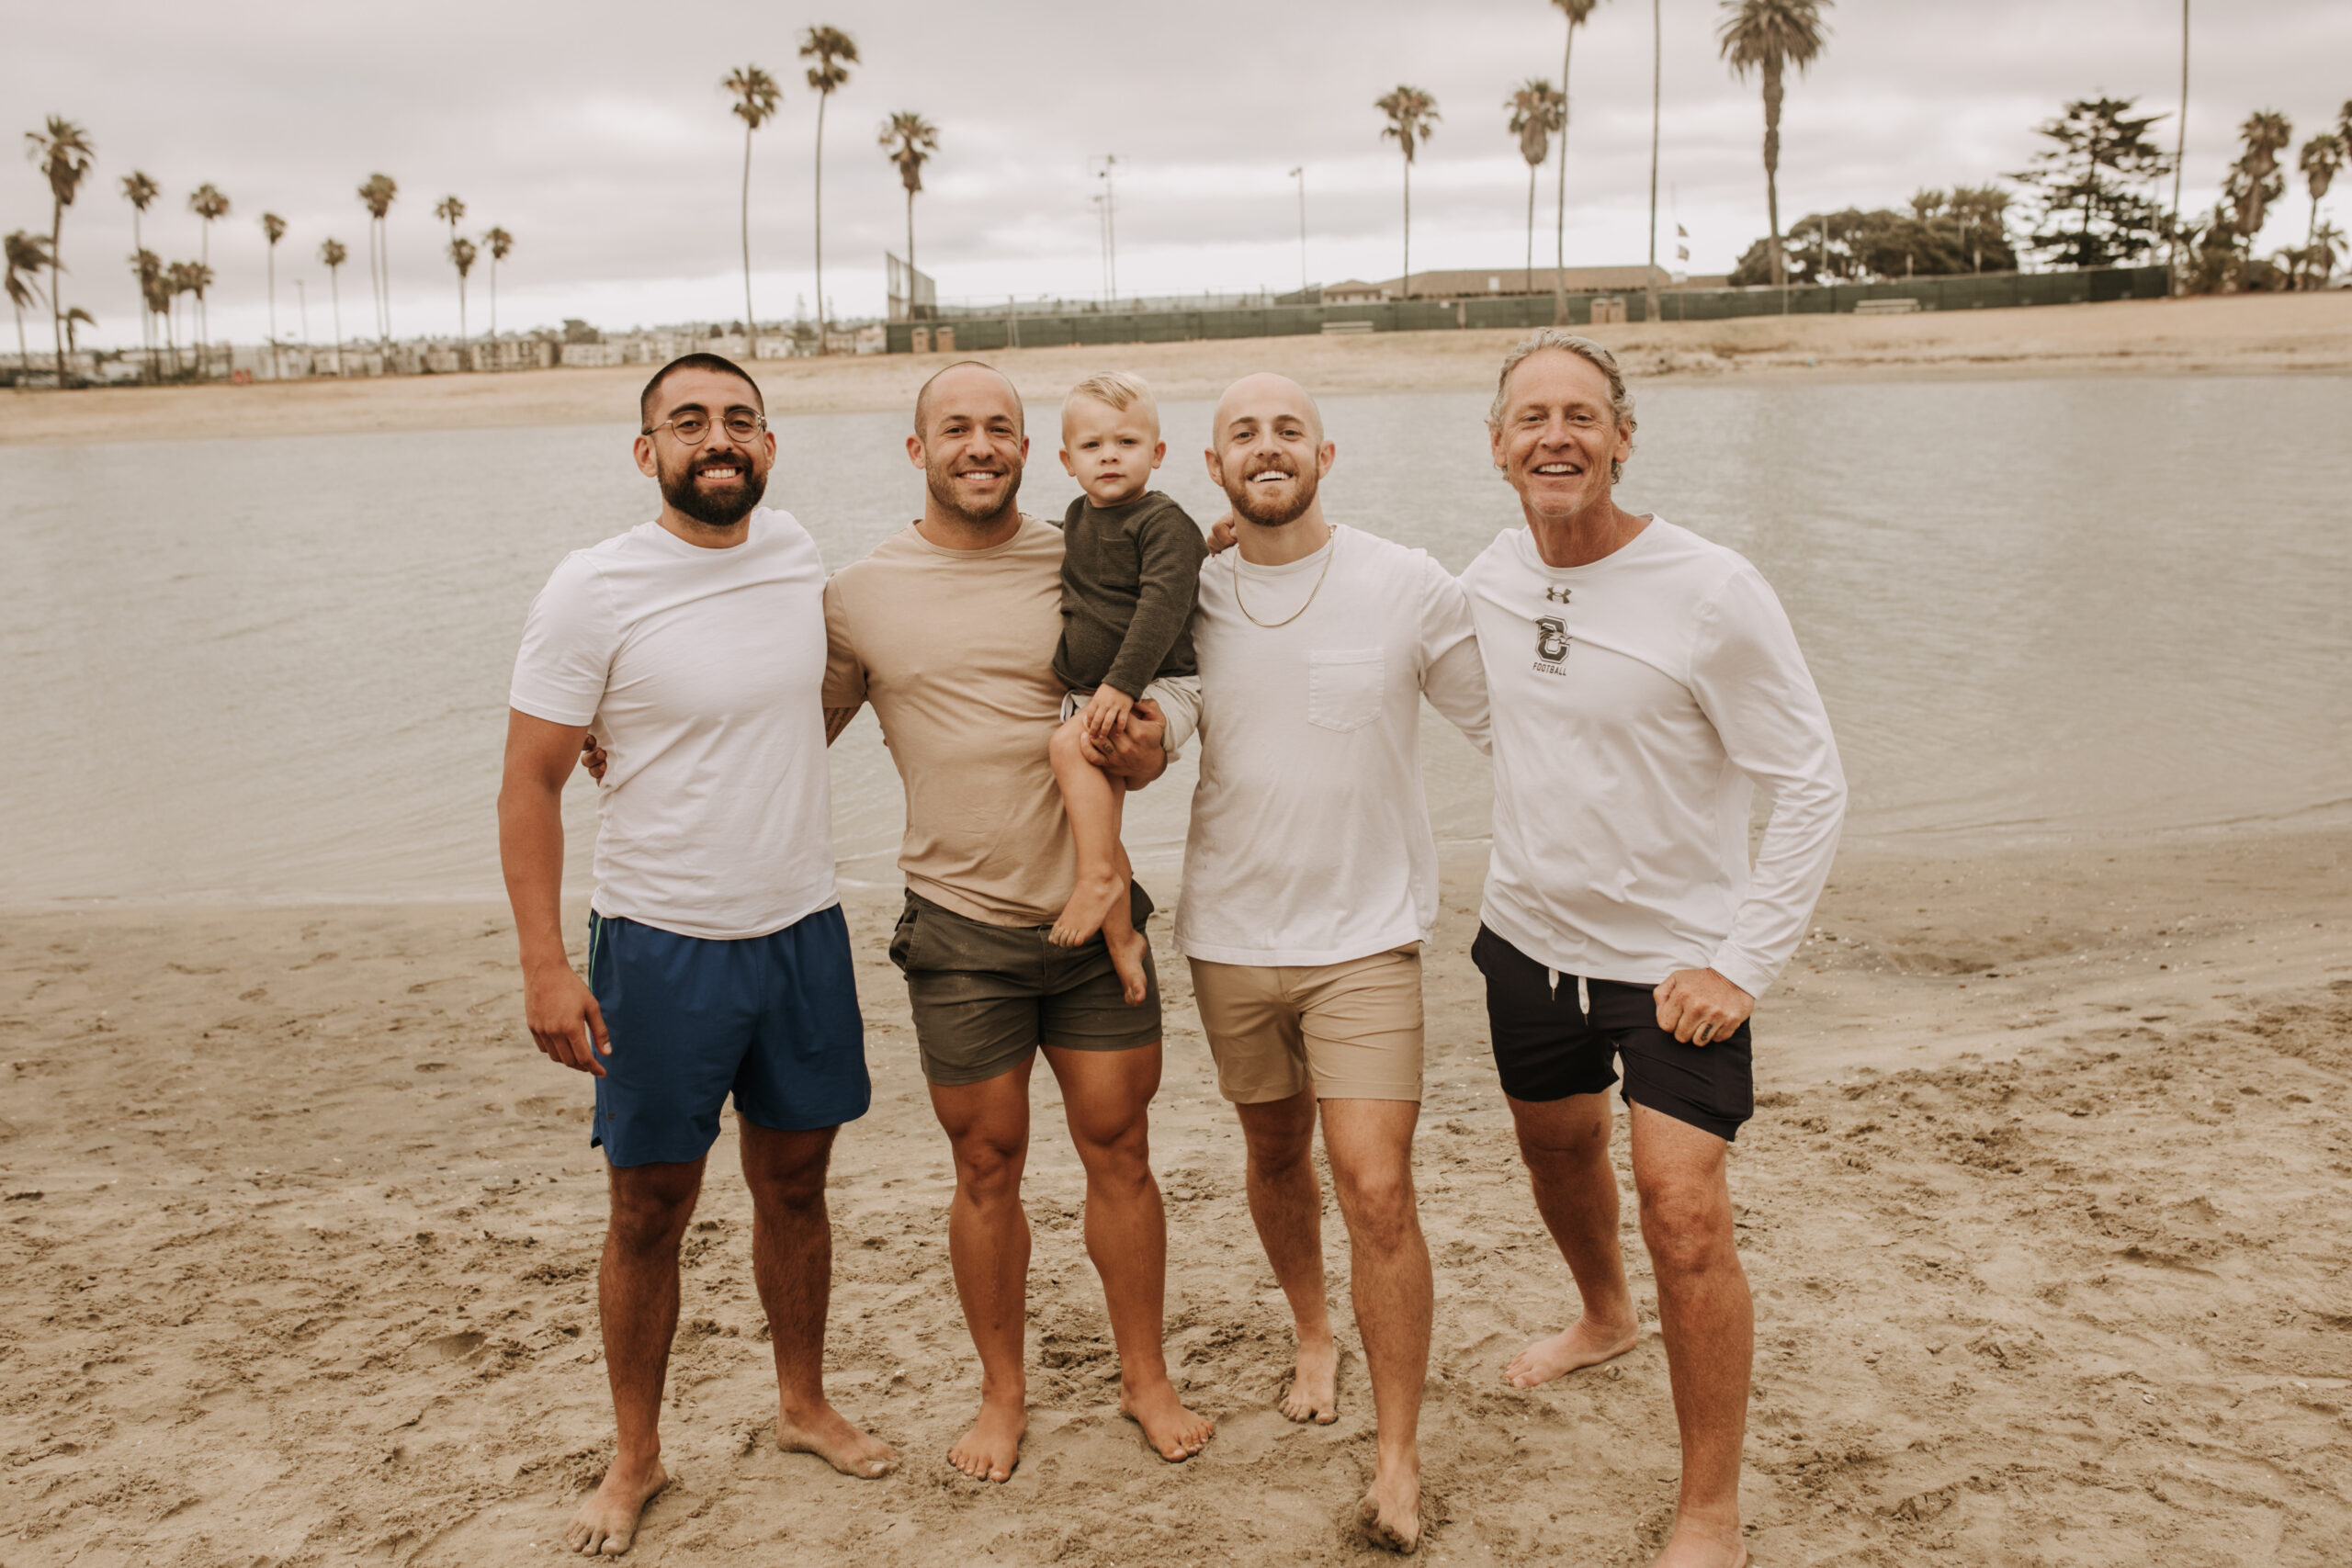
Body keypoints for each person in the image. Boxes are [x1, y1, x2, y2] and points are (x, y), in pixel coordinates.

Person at [498, 354, 895, 1559]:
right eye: (688, 421)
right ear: (648, 452)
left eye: (738, 420)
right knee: (649, 1206)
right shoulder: (594, 586)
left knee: (796, 1185)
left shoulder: (797, 553)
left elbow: (811, 694)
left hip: (801, 931)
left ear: (767, 445)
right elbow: (530, 778)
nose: (715, 438)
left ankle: (802, 1401)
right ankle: (637, 1451)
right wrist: (544, 964)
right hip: (658, 947)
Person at [1460, 330, 1846, 1568]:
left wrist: (1742, 960)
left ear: (1624, 435)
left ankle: (1709, 1507)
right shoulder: (1490, 576)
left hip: (1675, 964)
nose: (1556, 435)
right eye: (1532, 416)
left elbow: (1812, 780)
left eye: (1581, 414)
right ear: (1498, 445)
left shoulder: (1713, 588)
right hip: (1526, 938)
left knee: (1683, 1210)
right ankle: (1602, 1313)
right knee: (1558, 1147)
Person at [820, 360, 1214, 1482]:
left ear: (1030, 449)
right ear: (917, 451)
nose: (979, 446)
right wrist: (624, 741)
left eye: (1000, 428)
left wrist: (1163, 732)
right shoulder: (859, 592)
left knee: (1120, 1151)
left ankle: (1144, 1378)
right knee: (986, 1165)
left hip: (1098, 930)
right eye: (956, 429)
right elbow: (784, 728)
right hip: (957, 928)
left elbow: (1185, 633)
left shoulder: (1083, 546)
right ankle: (1003, 1395)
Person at [1180, 373, 1489, 1554]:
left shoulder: (1404, 581)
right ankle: (1314, 1328)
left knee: (1373, 1185)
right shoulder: (1188, 591)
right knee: (1272, 1149)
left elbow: (1513, 719)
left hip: (1365, 938)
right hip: (1228, 934)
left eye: (1289, 430)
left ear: (1326, 453)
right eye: (1244, 434)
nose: (1269, 447)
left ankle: (1396, 1455)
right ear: (1212, 468)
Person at [1044, 371, 1207, 1008]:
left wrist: (1120, 682)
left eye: (1127, 441)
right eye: (1092, 446)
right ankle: (1123, 937)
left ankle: (1097, 882)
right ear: (1066, 461)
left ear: (1157, 454)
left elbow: (1163, 605)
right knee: (1097, 824)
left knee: (1066, 750)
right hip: (1099, 691)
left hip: (1161, 683)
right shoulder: (1078, 516)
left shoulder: (1162, 520)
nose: (1109, 455)